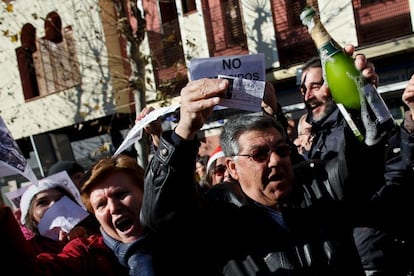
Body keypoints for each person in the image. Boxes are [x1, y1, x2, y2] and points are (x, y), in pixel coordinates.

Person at [140, 77, 366, 275]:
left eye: (282, 149)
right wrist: (183, 133)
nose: (276, 160)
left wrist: (358, 101)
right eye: (259, 154)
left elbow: (363, 160)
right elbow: (162, 216)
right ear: (232, 167)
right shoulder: (218, 221)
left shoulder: (320, 186)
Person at [298, 45, 398, 275]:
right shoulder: (314, 137)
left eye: (315, 86)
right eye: (303, 89)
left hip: (368, 257)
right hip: (336, 258)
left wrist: (362, 97)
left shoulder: (354, 127)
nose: (307, 96)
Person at [0, 179, 127, 275]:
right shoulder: (27, 250)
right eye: (42, 202)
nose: (55, 205)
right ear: (30, 216)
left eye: (60, 199)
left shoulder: (103, 237)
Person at [80, 154, 154, 276]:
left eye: (120, 194)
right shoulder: (91, 258)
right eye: (101, 204)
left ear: (145, 191)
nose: (113, 208)